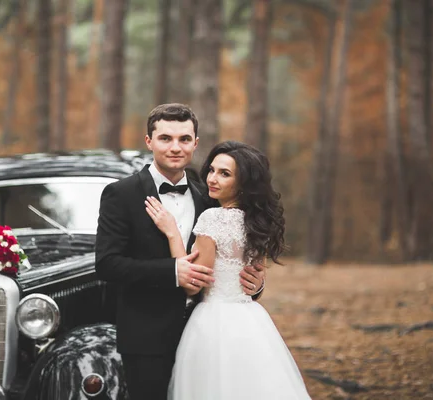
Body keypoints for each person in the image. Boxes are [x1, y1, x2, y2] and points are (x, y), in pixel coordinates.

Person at [95, 104, 266, 400]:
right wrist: (172, 271)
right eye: (165, 138)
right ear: (149, 141)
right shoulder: (120, 194)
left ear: (195, 143)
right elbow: (107, 264)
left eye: (184, 139)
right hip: (147, 337)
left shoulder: (210, 194)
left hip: (210, 334)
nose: (176, 147)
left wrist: (255, 284)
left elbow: (228, 255)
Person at [144, 140, 312, 399]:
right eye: (212, 170)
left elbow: (192, 283)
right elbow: (249, 278)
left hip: (214, 321)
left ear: (244, 184)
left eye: (225, 174)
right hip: (251, 320)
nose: (212, 179)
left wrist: (172, 233)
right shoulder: (257, 222)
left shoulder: (213, 219)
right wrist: (258, 286)